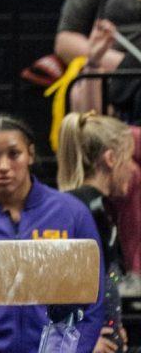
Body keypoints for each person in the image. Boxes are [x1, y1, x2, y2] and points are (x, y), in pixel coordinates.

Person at [0, 114, 105, 352]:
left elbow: (94, 299)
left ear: (30, 155)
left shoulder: (71, 213)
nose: (3, 167)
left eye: (14, 154)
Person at [58, 111, 135, 349]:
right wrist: (84, 341)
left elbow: (106, 279)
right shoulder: (80, 209)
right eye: (129, 158)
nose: (133, 169)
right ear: (111, 158)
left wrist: (115, 322)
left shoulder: (100, 207)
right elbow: (58, 287)